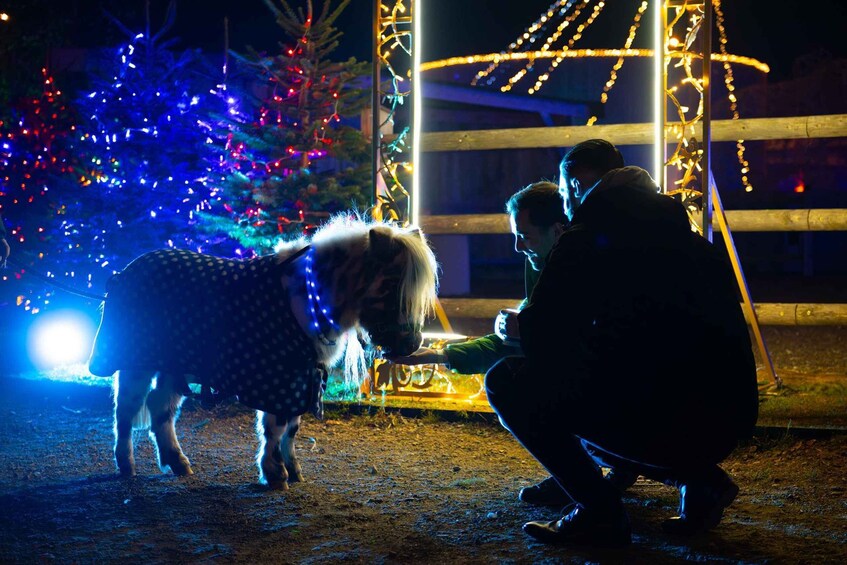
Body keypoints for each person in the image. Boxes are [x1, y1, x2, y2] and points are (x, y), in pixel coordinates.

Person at [485, 139, 758, 547]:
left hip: (665, 418)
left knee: (507, 382)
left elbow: (545, 337)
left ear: (576, 185)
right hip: (728, 417)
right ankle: (701, 482)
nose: (565, 206)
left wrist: (517, 327)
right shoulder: (684, 235)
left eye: (565, 192)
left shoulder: (585, 239)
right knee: (613, 381)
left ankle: (598, 511)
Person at [389, 181, 566, 374]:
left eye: (525, 236)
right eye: (516, 236)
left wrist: (527, 328)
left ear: (557, 232)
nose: (518, 247)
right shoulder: (540, 265)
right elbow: (505, 345)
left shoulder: (579, 276)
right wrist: (438, 355)